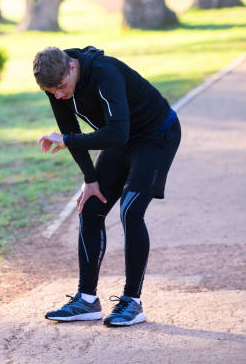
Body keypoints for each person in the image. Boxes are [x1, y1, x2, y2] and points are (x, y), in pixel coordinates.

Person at [34, 46, 181, 326]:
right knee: (90, 207)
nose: (60, 95)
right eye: (53, 92)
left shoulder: (105, 73)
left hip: (155, 136)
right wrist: (90, 180)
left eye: (62, 88)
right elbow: (70, 132)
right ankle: (87, 300)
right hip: (120, 141)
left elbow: (115, 132)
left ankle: (132, 302)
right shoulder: (55, 82)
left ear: (72, 67)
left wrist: (68, 141)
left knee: (130, 210)